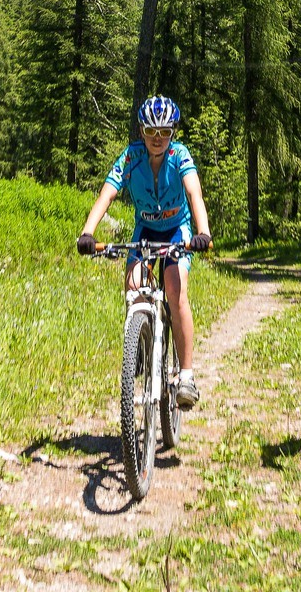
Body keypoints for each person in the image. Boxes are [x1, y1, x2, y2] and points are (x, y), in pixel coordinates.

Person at [77, 95, 212, 408]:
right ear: (142, 131)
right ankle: (139, 344)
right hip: (146, 230)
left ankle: (187, 375)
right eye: (151, 132)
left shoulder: (179, 155)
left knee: (175, 290)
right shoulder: (131, 157)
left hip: (177, 231)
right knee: (133, 286)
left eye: (165, 132)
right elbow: (107, 194)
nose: (157, 138)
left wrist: (203, 232)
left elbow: (194, 193)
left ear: (173, 133)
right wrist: (88, 232)